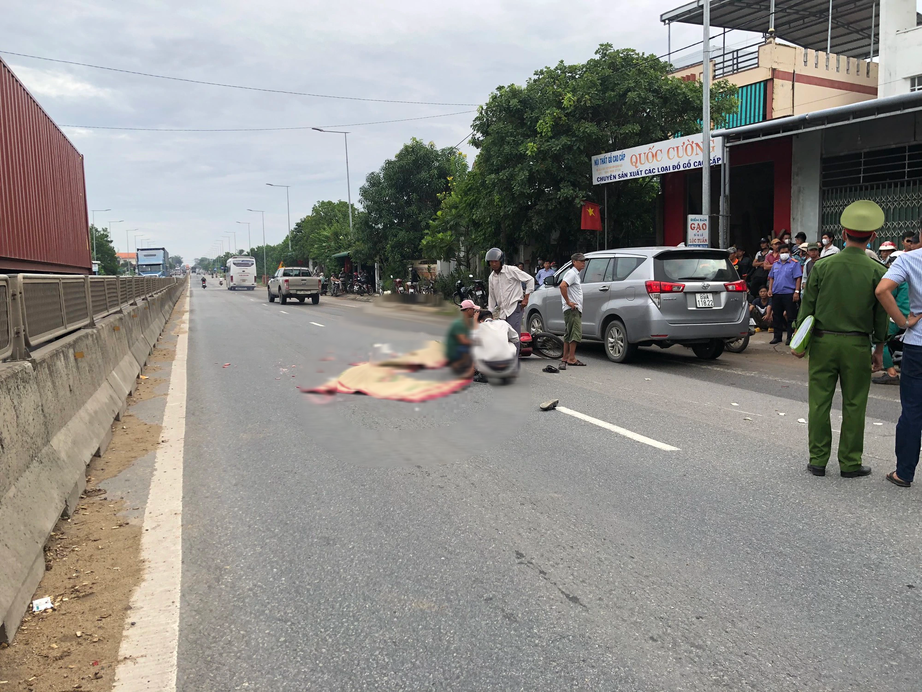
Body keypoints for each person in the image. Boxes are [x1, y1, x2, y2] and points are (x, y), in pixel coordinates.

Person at [795, 200, 890, 479]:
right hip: (857, 344)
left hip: (823, 343)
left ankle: (817, 460)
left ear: (844, 232)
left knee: (819, 402)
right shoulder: (878, 271)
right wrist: (879, 346)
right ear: (873, 236)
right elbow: (881, 317)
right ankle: (849, 463)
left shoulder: (821, 267)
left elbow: (806, 308)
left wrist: (799, 343)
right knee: (855, 403)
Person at [876, 248, 922, 487]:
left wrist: (903, 322)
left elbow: (882, 290)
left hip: (918, 344)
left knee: (913, 410)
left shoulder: (909, 258)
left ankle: (904, 473)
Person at [873, 252, 910, 386]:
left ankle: (891, 373)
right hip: (912, 316)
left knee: (878, 339)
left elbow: (885, 295)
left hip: (898, 317)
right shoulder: (911, 275)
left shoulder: (896, 278)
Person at [486, 247, 535, 338]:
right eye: (491, 262)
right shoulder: (491, 277)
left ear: (501, 261)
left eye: (496, 261)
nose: (493, 264)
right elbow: (492, 297)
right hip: (503, 311)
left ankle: (515, 352)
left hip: (514, 307)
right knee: (504, 336)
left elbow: (530, 280)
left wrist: (526, 299)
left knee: (513, 336)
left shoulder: (511, 270)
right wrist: (489, 313)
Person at [472, 310, 520, 384]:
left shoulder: (480, 327)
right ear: (493, 318)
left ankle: (483, 374)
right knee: (511, 344)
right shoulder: (503, 323)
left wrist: (475, 322)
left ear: (481, 321)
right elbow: (516, 338)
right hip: (507, 361)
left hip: (489, 362)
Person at [767, 243, 802, 345]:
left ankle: (790, 337)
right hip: (777, 293)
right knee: (777, 316)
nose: (784, 254)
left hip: (789, 293)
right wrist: (770, 289)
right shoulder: (776, 264)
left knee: (791, 316)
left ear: (790, 253)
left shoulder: (794, 264)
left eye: (786, 252)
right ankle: (777, 337)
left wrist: (796, 291)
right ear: (778, 253)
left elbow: (798, 278)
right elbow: (771, 278)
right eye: (782, 252)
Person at [559, 252, 587, 370]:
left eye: (584, 261)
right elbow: (562, 286)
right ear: (574, 262)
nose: (583, 264)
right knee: (575, 333)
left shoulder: (575, 274)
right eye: (581, 261)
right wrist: (568, 302)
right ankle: (571, 358)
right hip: (572, 309)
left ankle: (566, 357)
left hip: (572, 308)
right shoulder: (572, 273)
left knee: (569, 333)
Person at [445, 300, 478, 378]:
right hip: (455, 350)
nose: (474, 311)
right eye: (473, 309)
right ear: (468, 310)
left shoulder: (467, 321)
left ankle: (463, 365)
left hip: (460, 348)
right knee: (475, 348)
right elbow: (464, 341)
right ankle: (459, 364)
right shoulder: (459, 323)